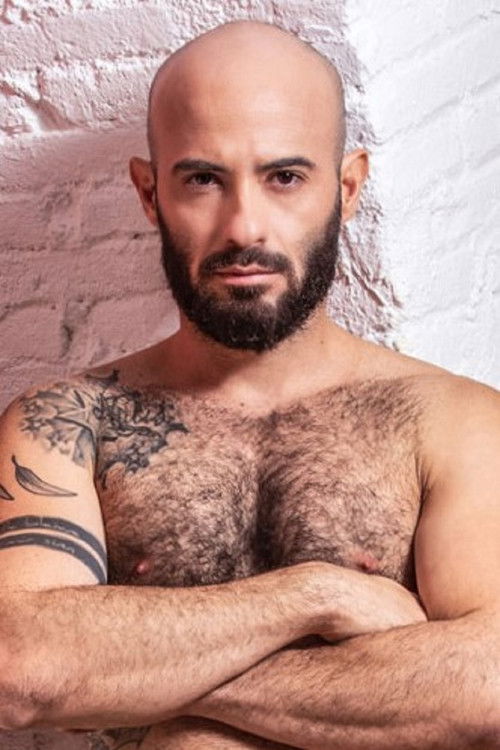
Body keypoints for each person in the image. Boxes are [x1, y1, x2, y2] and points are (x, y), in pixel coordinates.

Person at [0, 19, 499, 750]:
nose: (244, 226)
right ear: (149, 193)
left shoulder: (451, 421)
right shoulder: (69, 423)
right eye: (203, 180)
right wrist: (318, 596)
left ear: (347, 189)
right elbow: (18, 666)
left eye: (284, 177)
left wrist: (131, 682)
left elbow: (486, 687)